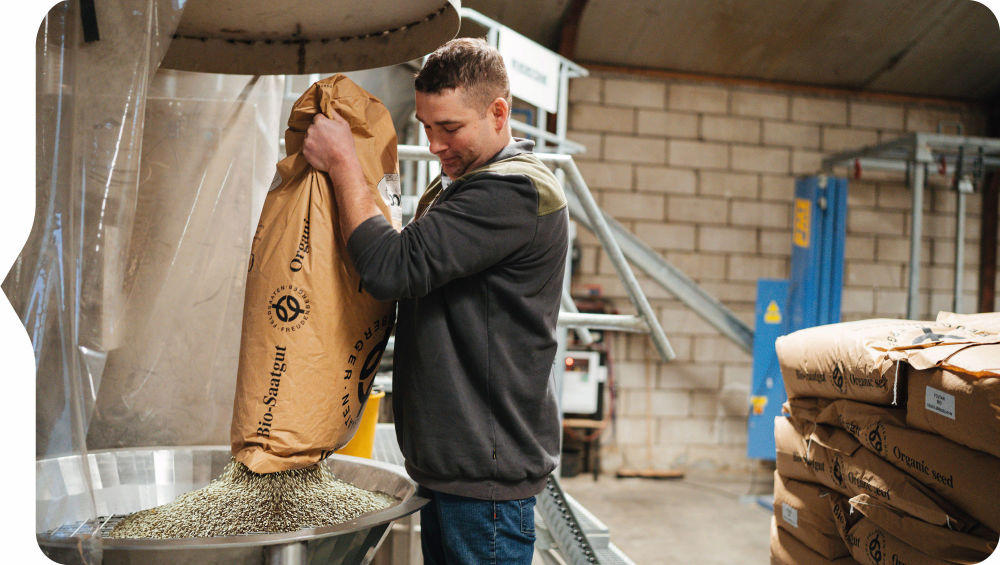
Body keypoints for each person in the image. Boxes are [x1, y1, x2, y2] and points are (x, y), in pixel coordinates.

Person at [303, 38, 568, 564]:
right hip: (454, 470)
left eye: (450, 128)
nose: (436, 144)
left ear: (498, 113)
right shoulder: (462, 187)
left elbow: (390, 266)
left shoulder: (511, 193)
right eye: (425, 127)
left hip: (483, 480)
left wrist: (342, 163)